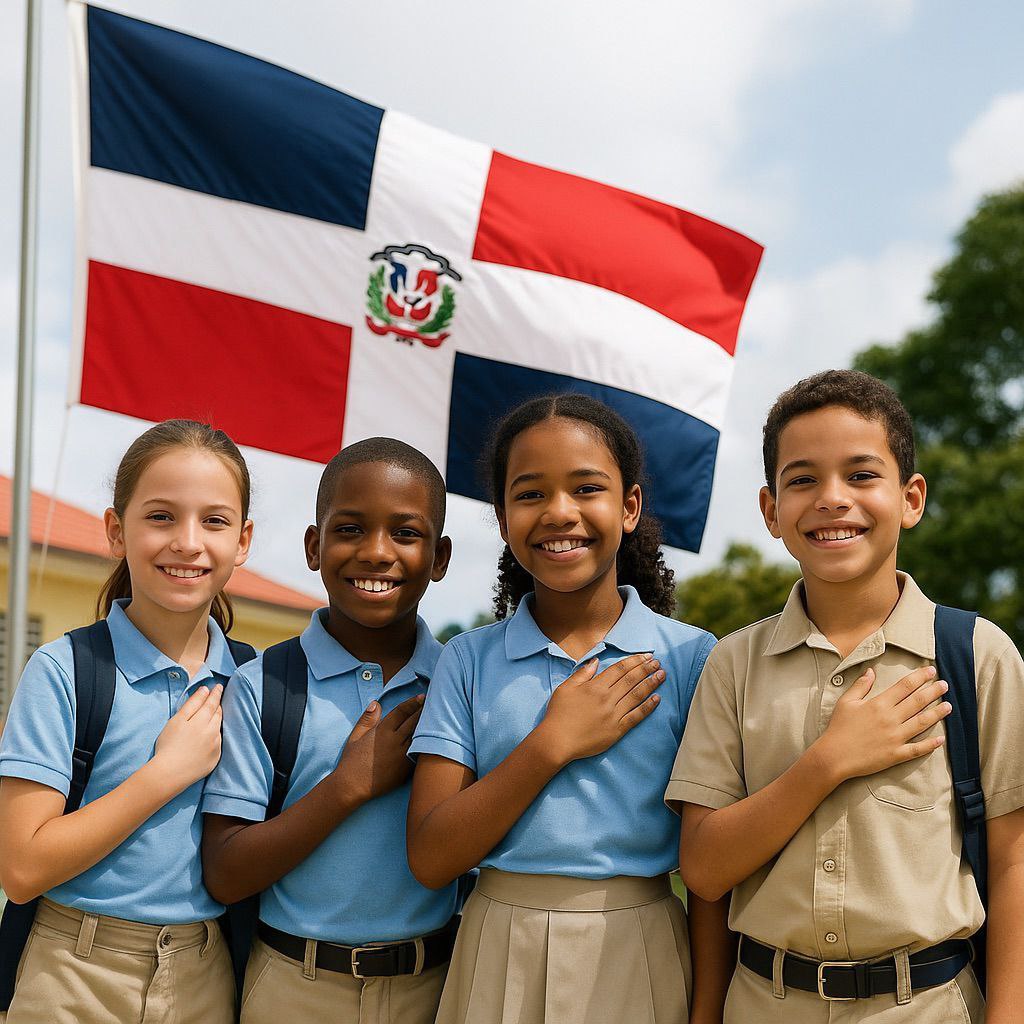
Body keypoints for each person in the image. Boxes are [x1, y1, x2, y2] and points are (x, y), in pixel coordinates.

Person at [668, 369, 1024, 1023]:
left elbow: (1012, 864)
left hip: (931, 1008)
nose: (833, 499)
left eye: (861, 475)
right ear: (771, 510)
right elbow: (705, 871)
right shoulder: (733, 665)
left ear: (911, 497)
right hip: (764, 1004)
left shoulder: (978, 657)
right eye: (802, 479)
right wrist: (827, 761)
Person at [407, 393, 730, 1024]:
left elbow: (709, 873)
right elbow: (431, 856)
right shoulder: (467, 660)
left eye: (587, 489)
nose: (560, 513)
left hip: (643, 952)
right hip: (497, 953)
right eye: (529, 494)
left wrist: (707, 1010)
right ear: (501, 519)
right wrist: (551, 743)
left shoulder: (693, 658)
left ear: (629, 507)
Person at [0, 419, 255, 1024]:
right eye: (161, 516)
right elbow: (21, 867)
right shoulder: (64, 669)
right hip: (70, 970)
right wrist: (166, 773)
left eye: (214, 521)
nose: (188, 542)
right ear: (117, 531)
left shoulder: (257, 682)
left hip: (206, 973)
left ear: (243, 541)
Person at [201, 437, 459, 1024]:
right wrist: (347, 787)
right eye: (349, 530)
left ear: (440, 558)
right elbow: (225, 872)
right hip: (294, 985)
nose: (376, 552)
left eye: (406, 533)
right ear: (314, 547)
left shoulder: (460, 685)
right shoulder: (263, 685)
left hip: (438, 987)